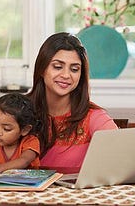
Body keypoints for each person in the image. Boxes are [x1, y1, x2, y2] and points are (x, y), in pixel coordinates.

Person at [26, 32, 118, 173]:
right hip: (26, 193)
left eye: (74, 69)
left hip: (77, 194)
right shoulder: (20, 111)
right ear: (42, 69)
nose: (66, 75)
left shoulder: (94, 117)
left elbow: (120, 156)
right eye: (57, 67)